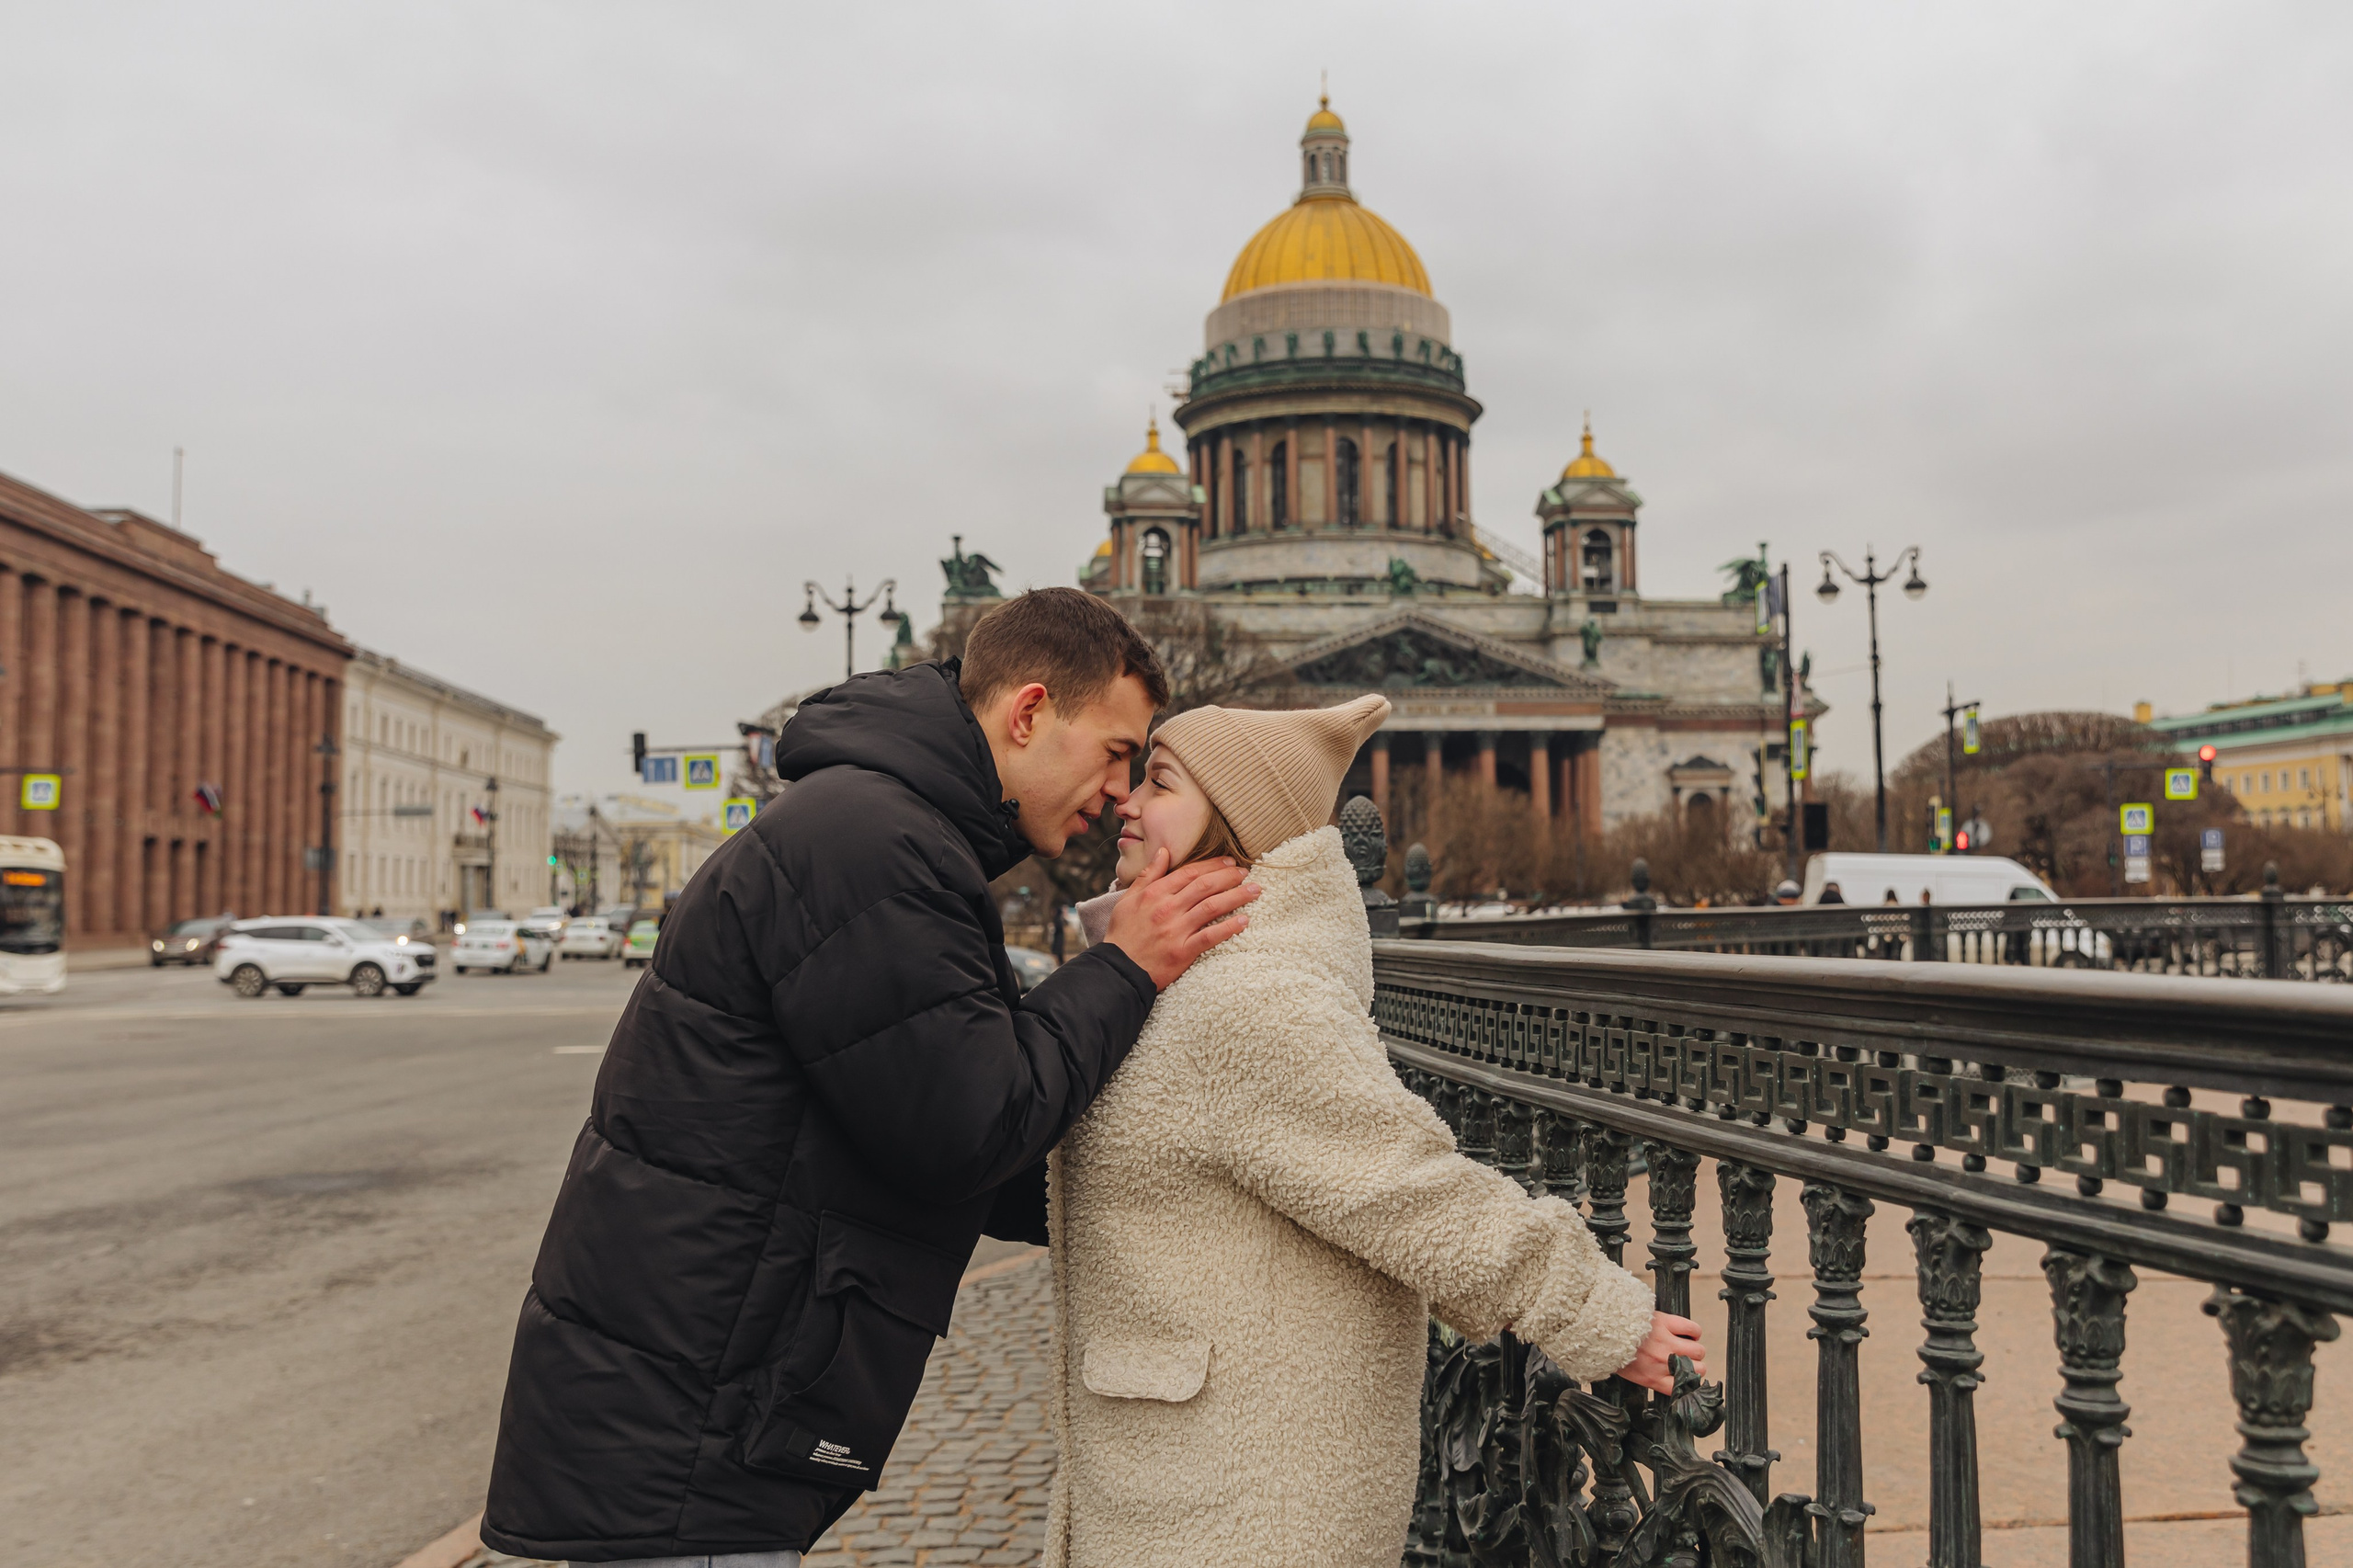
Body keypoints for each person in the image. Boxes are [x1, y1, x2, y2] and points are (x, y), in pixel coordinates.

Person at [479, 588, 1260, 1567]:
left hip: (678, 1440)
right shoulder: (874, 847)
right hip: (679, 1463)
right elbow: (966, 1126)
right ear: (1026, 713)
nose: (1117, 793)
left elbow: (964, 1135)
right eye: (1114, 751)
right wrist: (1122, 967)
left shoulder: (885, 833)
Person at [1049, 694, 1700, 1568]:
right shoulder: (1173, 984)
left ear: (1236, 827)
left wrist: (1601, 1314)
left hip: (1235, 1503)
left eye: (1159, 781)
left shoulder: (1248, 1002)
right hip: (1185, 1472)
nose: (1125, 799)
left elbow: (1413, 1192)